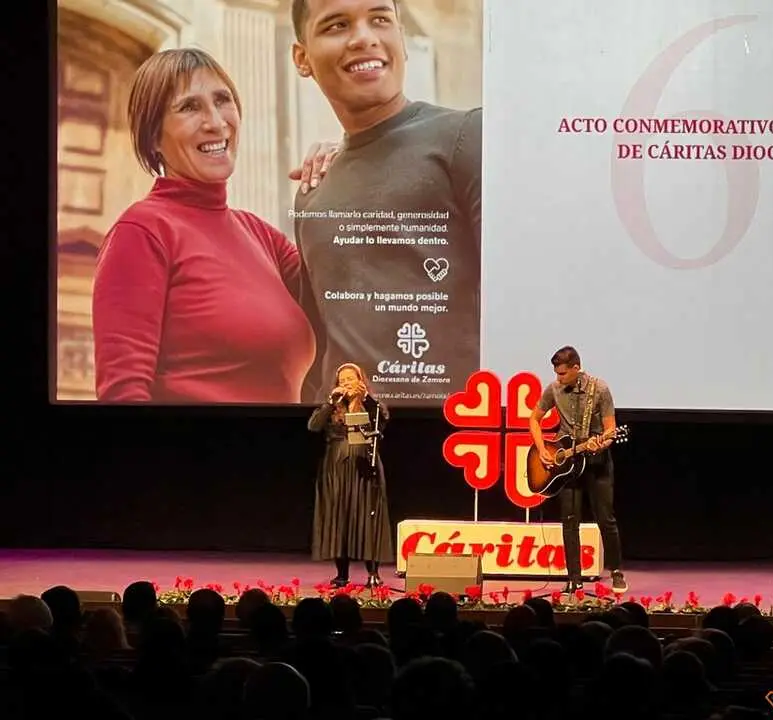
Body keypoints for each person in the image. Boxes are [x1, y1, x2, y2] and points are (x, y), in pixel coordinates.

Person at [92, 48, 317, 403]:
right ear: (153, 137)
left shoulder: (261, 237)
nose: (215, 121)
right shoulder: (143, 231)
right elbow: (123, 395)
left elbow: (346, 299)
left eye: (222, 100)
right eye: (189, 107)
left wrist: (343, 174)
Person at [289, 0, 482, 405]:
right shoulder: (312, 193)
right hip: (345, 450)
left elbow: (520, 302)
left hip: (453, 445)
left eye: (380, 19)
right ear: (302, 58)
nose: (364, 38)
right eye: (337, 25)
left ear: (402, 39)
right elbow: (318, 343)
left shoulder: (466, 138)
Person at [529, 346, 628, 594]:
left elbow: (610, 430)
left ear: (576, 368)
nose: (558, 378)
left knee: (605, 519)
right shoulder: (553, 389)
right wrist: (542, 449)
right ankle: (574, 579)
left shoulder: (600, 389)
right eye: (556, 373)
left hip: (597, 463)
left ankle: (616, 571)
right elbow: (534, 419)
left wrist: (599, 443)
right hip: (567, 463)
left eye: (563, 373)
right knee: (569, 521)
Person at [307, 362, 392, 587]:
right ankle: (342, 574)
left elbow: (383, 419)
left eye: (351, 379)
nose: (347, 384)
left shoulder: (371, 405)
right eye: (342, 381)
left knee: (367, 515)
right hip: (335, 467)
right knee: (339, 517)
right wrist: (330, 401)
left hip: (364, 464)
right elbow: (313, 426)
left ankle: (373, 573)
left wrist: (365, 399)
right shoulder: (333, 407)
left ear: (361, 381)